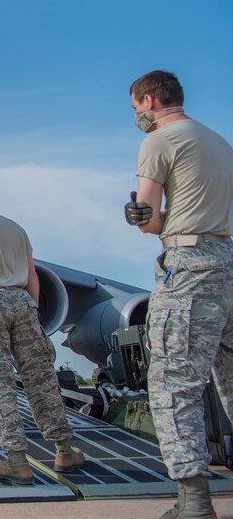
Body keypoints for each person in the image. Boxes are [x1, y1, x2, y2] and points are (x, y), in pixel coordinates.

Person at [125, 70, 233, 518]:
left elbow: (149, 219)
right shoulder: (219, 143)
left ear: (148, 101)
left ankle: (194, 501)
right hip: (226, 259)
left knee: (173, 384)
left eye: (135, 108)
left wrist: (138, 216)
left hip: (188, 267)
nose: (136, 115)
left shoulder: (159, 140)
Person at [0, 174, 84, 483]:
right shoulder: (16, 228)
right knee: (41, 378)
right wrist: (32, 309)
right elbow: (32, 274)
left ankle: (16, 460)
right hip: (23, 301)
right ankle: (64, 449)